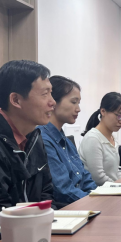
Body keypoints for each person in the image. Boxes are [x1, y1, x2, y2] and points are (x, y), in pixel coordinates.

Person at [0, 60, 55, 228]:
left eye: (51, 93)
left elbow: (47, 193)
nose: (52, 102)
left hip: (32, 233)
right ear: (16, 100)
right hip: (3, 239)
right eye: (45, 94)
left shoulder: (34, 136)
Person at [39, 76, 97, 207]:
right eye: (73, 102)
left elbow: (86, 178)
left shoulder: (66, 141)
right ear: (53, 101)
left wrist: (98, 196)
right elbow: (64, 191)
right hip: (67, 209)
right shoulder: (43, 139)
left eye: (78, 103)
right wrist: (95, 202)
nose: (78, 109)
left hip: (82, 204)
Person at [79, 93, 121, 186]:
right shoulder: (93, 139)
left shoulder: (112, 138)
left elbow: (115, 171)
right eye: (119, 116)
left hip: (112, 189)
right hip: (99, 191)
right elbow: (98, 178)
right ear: (103, 111)